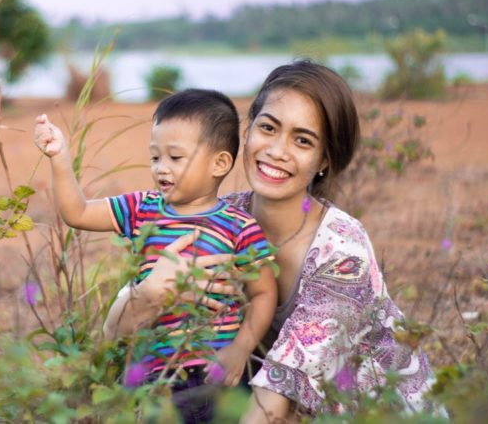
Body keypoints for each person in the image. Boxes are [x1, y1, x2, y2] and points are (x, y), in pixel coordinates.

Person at [105, 61, 442, 421]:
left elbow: (279, 391)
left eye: (302, 140)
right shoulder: (220, 219)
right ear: (247, 132)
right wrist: (149, 294)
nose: (277, 151)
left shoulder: (342, 251)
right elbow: (114, 334)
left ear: (324, 160)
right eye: (268, 128)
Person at [34, 89, 278, 422]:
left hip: (215, 374)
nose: (161, 168)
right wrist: (59, 159)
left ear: (219, 163)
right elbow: (76, 213)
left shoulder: (240, 226)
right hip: (152, 377)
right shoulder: (142, 208)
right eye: (155, 157)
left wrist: (240, 350)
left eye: (175, 158)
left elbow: (264, 292)